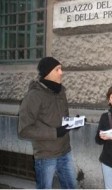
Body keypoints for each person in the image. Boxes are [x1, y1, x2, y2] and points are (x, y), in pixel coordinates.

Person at [18, 57, 77, 189]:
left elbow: (61, 119)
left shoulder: (61, 92)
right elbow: (24, 130)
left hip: (65, 151)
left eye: (61, 69)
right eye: (57, 69)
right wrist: (55, 132)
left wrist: (73, 123)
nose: (61, 72)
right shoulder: (33, 96)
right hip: (46, 156)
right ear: (47, 72)